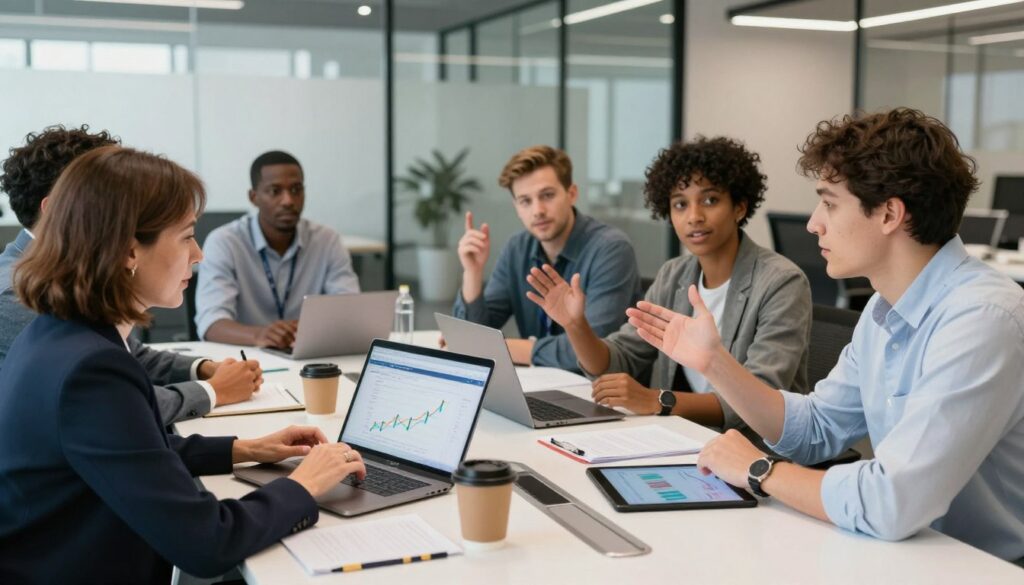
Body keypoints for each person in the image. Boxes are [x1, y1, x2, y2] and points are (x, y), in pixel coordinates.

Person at [628, 109, 1024, 562]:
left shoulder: (981, 318)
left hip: (980, 565)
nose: (814, 223)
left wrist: (760, 469)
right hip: (902, 551)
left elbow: (891, 501)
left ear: (890, 214)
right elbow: (815, 428)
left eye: (830, 203)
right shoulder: (883, 305)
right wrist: (714, 363)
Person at [0, 145, 367, 584]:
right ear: (128, 251)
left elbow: (128, 449)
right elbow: (208, 543)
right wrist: (305, 484)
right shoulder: (91, 369)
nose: (199, 254)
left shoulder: (60, 334)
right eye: (187, 235)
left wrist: (246, 449)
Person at [526, 137, 811, 437]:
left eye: (710, 200)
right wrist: (575, 326)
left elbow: (758, 400)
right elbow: (618, 361)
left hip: (757, 451)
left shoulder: (780, 282)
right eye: (680, 204)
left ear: (739, 207)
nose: (694, 217)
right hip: (679, 440)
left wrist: (656, 400)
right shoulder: (673, 275)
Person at [0, 125, 257, 424]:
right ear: (62, 207)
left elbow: (125, 354)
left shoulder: (64, 274)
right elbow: (110, 401)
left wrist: (202, 369)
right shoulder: (19, 292)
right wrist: (213, 391)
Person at [452, 145, 642, 370]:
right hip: (539, 386)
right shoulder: (517, 247)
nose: (538, 210)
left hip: (599, 395)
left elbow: (593, 347)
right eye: (525, 201)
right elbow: (471, 342)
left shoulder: (611, 249)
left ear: (571, 194)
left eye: (547, 195)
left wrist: (509, 348)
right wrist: (472, 273)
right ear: (516, 207)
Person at [195, 150, 360, 347]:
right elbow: (211, 323)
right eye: (275, 191)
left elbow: (349, 310)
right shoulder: (225, 242)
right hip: (245, 359)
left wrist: (307, 332)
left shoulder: (326, 240)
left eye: (296, 190)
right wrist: (260, 335)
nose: (288, 201)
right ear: (253, 197)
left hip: (310, 355)